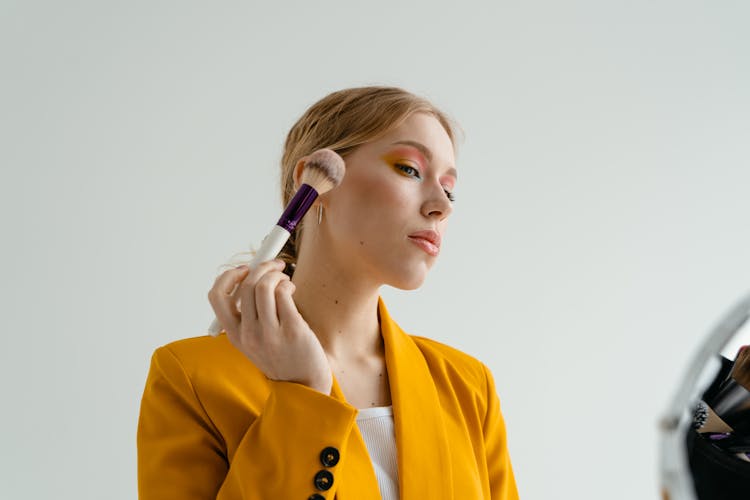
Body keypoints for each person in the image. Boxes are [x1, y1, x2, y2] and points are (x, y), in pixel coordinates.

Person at [137, 86, 519, 500]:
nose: (441, 206)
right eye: (409, 169)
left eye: (449, 188)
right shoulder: (192, 379)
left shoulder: (466, 385)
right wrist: (302, 393)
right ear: (312, 184)